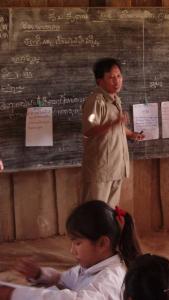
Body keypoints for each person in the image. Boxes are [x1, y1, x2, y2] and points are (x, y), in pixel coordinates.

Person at [0, 200, 142, 300]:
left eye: (78, 243)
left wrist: (13, 294)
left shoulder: (111, 278)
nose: (72, 250)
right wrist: (40, 274)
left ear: (102, 243)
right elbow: (63, 279)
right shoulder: (92, 267)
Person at [82, 58, 144, 208]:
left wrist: (131, 134)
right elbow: (89, 130)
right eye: (111, 77)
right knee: (96, 211)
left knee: (110, 211)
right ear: (100, 81)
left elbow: (116, 127)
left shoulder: (115, 99)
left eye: (119, 76)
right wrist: (113, 123)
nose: (116, 81)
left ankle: (107, 232)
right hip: (102, 168)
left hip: (117, 165)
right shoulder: (96, 101)